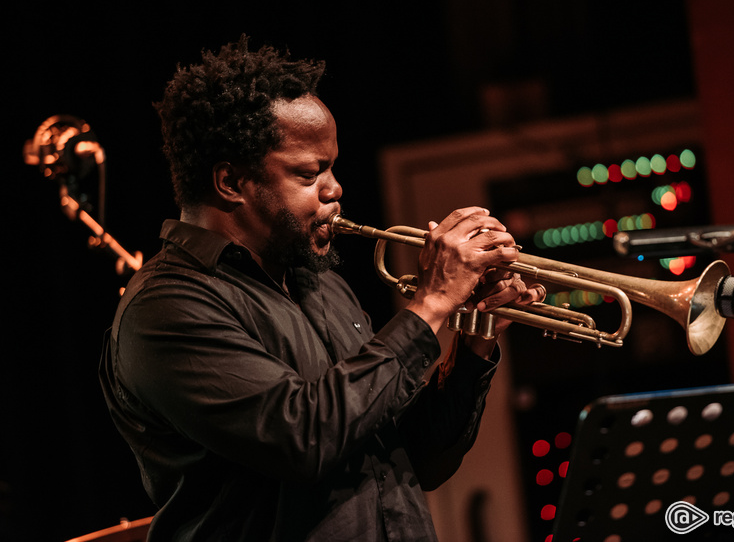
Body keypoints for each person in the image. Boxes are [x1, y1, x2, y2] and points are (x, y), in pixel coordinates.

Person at [100, 35, 542, 541]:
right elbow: (304, 438)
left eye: (331, 167)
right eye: (310, 173)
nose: (335, 189)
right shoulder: (167, 306)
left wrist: (474, 337)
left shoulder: (319, 282)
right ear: (230, 182)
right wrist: (433, 302)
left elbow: (413, 461)